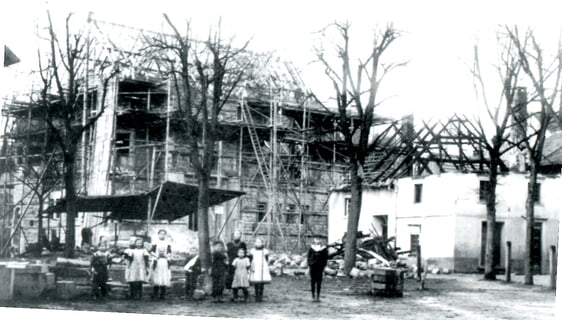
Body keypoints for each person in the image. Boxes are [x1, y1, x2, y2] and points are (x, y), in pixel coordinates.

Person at [149, 229, 172, 301]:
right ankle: (155, 294)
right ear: (158, 235)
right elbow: (151, 251)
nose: (162, 235)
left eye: (163, 234)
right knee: (156, 277)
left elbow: (169, 252)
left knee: (163, 277)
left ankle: (162, 295)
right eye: (160, 234)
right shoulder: (155, 242)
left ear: (165, 235)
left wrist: (166, 255)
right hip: (157, 261)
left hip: (164, 261)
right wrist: (156, 255)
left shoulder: (167, 243)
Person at [248, 238, 271, 302]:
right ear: (255, 243)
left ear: (262, 243)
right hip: (255, 267)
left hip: (262, 267)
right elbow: (250, 259)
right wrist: (251, 266)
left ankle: (260, 295)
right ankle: (256, 295)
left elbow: (266, 260)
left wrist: (265, 266)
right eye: (257, 242)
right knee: (256, 281)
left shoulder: (265, 251)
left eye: (260, 242)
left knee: (261, 282)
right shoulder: (252, 251)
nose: (258, 243)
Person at [307, 236, 329, 302]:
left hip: (320, 266)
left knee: (319, 282)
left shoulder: (324, 248)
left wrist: (323, 265)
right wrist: (310, 264)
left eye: (319, 239)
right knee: (313, 281)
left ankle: (318, 296)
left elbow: (326, 257)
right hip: (313, 266)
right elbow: (308, 256)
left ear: (320, 240)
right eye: (316, 239)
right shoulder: (311, 248)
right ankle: (313, 296)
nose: (317, 240)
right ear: (314, 240)